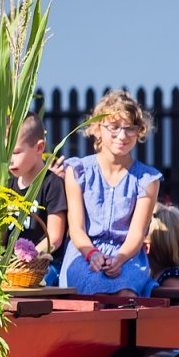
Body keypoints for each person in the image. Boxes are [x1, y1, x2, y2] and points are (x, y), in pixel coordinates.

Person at [60, 89, 161, 297]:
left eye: (130, 128)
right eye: (114, 127)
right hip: (84, 252)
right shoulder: (78, 171)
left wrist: (120, 258)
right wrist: (92, 254)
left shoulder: (146, 180)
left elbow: (136, 234)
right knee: (94, 291)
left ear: (139, 131)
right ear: (97, 129)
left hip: (128, 254)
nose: (122, 136)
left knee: (125, 294)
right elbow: (77, 229)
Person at [9, 113, 68, 279]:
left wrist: (29, 258)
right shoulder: (7, 186)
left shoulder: (52, 184)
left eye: (16, 152)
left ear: (39, 148)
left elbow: (54, 237)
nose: (10, 160)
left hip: (45, 265)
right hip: (12, 266)